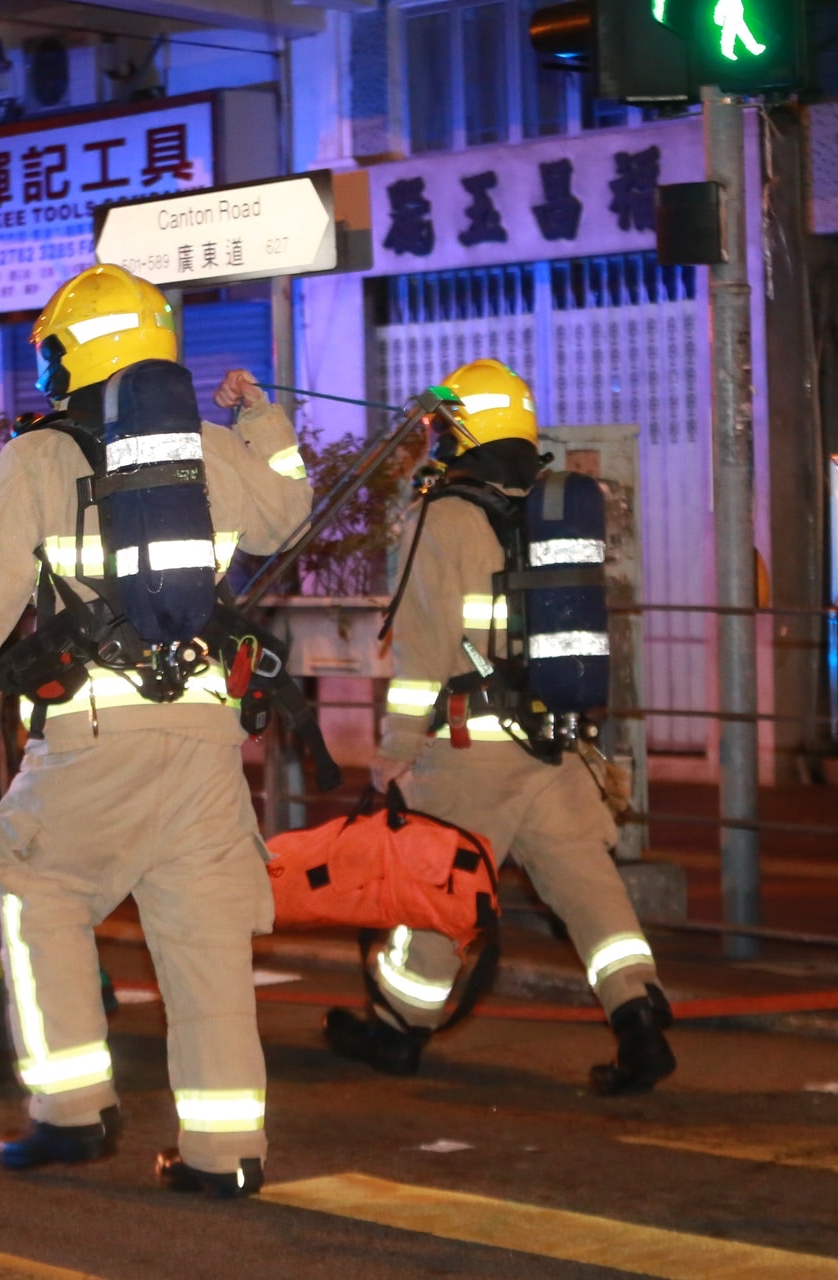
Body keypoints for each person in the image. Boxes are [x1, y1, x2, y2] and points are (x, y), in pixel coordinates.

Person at [0, 263, 311, 1198]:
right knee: (206, 952)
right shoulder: (209, 447)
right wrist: (263, 419)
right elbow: (286, 516)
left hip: (93, 739)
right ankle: (222, 1154)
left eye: (51, 354)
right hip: (205, 746)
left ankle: (72, 1112)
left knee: (35, 891)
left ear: (78, 354)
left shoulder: (40, 458)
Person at [323, 357, 677, 1095]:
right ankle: (638, 1015)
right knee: (588, 887)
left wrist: (393, 753)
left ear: (461, 432)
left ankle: (397, 1029)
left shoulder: (443, 516)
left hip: (473, 747)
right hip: (557, 742)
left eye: (441, 428)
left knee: (440, 889)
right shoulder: (547, 506)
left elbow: (421, 654)